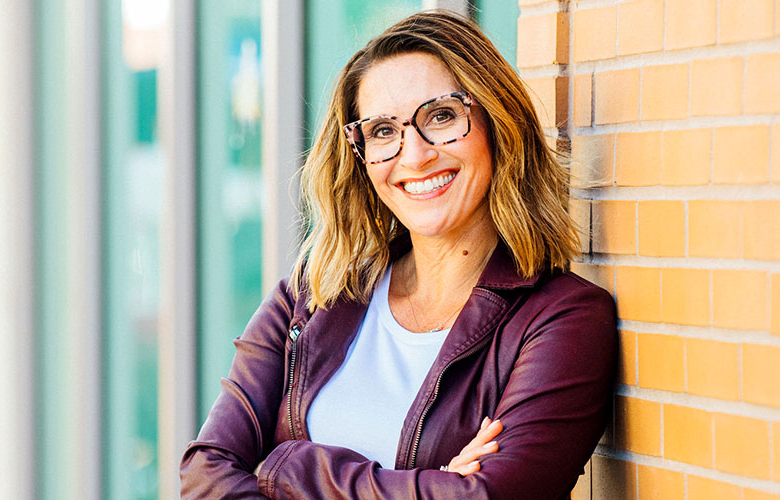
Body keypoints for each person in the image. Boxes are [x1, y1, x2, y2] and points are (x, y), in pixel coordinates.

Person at [181, 10, 618, 499]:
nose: (415, 156)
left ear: (498, 123)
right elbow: (205, 474)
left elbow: (489, 497)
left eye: (442, 116)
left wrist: (290, 465)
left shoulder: (563, 319)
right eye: (384, 131)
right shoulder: (311, 296)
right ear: (360, 156)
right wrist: (430, 485)